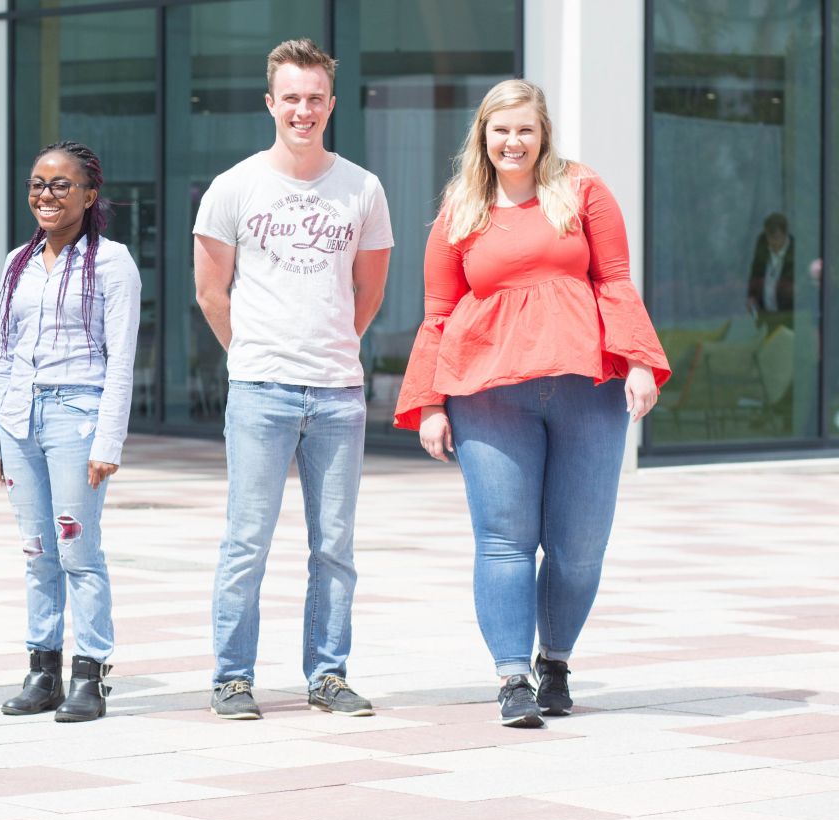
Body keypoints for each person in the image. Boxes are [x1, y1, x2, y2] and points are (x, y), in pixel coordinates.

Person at [393, 79, 671, 728]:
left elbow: (615, 280)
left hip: (586, 388)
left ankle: (557, 662)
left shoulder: (582, 190)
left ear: (542, 133)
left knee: (578, 547)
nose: (512, 142)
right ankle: (512, 675)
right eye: (500, 130)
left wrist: (636, 361)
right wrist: (430, 403)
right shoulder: (461, 208)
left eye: (524, 129)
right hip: (489, 396)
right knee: (503, 540)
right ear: (482, 136)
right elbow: (436, 315)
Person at [194, 39, 392, 721]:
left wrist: (331, 343)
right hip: (259, 390)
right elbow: (211, 290)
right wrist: (252, 352)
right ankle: (231, 676)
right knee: (247, 539)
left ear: (330, 104)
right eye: (292, 98)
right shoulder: (235, 186)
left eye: (315, 98)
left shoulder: (362, 188)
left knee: (334, 544)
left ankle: (328, 673)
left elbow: (369, 290)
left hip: (338, 393)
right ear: (270, 103)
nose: (302, 110)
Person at [0, 141, 141, 723]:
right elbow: (1, 353)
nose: (46, 194)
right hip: (19, 418)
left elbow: (121, 359)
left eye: (61, 185)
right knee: (36, 552)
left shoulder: (112, 262)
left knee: (78, 550)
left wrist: (108, 443)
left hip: (79, 418)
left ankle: (89, 675)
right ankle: (41, 671)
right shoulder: (16, 262)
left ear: (89, 195)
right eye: (38, 183)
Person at [746, 212, 795, 329]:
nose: (772, 242)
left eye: (776, 238)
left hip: (786, 314)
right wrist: (751, 295)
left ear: (785, 234)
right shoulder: (762, 244)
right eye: (769, 237)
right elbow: (755, 273)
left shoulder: (795, 252)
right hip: (764, 313)